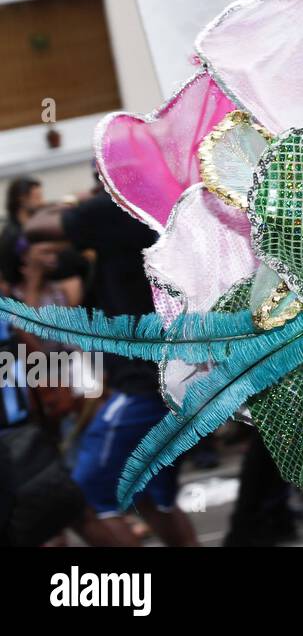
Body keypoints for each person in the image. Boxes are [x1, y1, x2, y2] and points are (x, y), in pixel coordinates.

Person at [24, 185, 199, 546]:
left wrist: (74, 202)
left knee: (87, 496)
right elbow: (62, 267)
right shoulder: (150, 214)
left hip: (142, 389)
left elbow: (37, 228)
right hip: (172, 383)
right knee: (154, 499)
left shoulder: (114, 211)